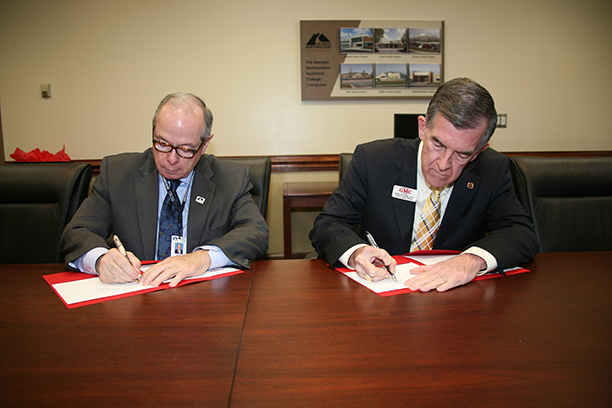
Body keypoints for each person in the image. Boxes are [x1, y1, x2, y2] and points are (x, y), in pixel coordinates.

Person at [309, 77, 538, 292]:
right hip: (382, 293)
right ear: (422, 128)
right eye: (438, 144)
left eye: (462, 155)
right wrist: (357, 252)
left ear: (479, 151)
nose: (443, 164)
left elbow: (521, 233)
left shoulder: (492, 169)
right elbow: (327, 224)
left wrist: (473, 261)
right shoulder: (373, 159)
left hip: (453, 297)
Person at [61, 93, 269, 287]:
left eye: (186, 149)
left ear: (205, 145)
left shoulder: (230, 179)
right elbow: (78, 232)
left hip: (201, 300)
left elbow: (255, 232)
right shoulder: (117, 175)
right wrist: (99, 259)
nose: (171, 159)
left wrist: (201, 258)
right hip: (134, 294)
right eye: (162, 144)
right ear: (153, 133)